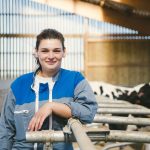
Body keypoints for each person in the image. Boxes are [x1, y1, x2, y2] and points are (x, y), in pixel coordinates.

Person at [0, 28, 98, 150]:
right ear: (36, 52)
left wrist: (52, 106)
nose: (51, 56)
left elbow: (89, 112)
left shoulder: (75, 79)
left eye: (56, 51)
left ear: (64, 52)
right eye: (44, 51)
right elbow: (6, 129)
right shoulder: (19, 85)